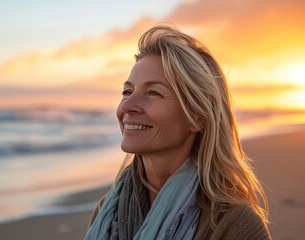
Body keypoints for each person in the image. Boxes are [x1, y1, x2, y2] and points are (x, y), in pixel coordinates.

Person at [85, 25, 271, 240]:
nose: (127, 106)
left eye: (153, 93)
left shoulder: (233, 224)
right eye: (127, 91)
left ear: (198, 117)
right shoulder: (108, 212)